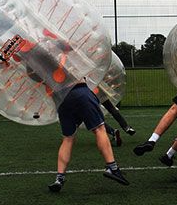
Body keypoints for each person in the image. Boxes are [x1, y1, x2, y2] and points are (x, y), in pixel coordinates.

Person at [16, 34, 129, 192]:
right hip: (79, 91)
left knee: (68, 139)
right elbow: (71, 46)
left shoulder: (32, 69)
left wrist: (22, 58)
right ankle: (112, 167)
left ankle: (59, 178)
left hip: (61, 100)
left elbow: (39, 78)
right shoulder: (54, 51)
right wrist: (50, 36)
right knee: (99, 129)